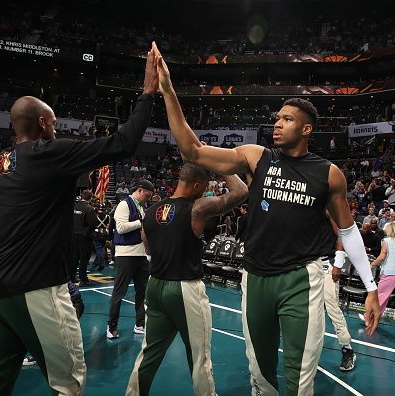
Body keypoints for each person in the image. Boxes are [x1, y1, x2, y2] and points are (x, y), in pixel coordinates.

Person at [153, 44, 380, 396]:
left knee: (300, 374)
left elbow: (349, 232)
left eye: (287, 119)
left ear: (306, 129)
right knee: (259, 371)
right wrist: (168, 91)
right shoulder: (257, 157)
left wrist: (371, 289)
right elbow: (192, 151)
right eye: (276, 118)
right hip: (254, 276)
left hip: (301, 279)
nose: (277, 123)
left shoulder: (329, 173)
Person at [0, 43, 158, 395]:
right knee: (69, 384)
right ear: (42, 124)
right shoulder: (48, 153)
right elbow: (124, 142)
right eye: (54, 124)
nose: (56, 130)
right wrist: (148, 93)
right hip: (36, 289)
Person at [126, 164, 248, 396]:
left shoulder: (150, 211)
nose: (204, 192)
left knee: (149, 353)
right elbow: (241, 192)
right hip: (184, 288)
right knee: (200, 356)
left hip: (156, 285)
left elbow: (148, 245)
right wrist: (220, 164)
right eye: (203, 187)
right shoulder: (197, 208)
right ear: (195, 185)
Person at [107, 180, 155, 339]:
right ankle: (111, 326)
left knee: (142, 292)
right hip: (125, 255)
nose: (148, 199)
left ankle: (140, 324)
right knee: (119, 292)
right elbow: (120, 228)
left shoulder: (141, 207)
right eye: (147, 195)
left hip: (141, 256)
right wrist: (141, 222)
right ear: (140, 190)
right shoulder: (123, 205)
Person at [321, 217, 356, 372]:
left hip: (327, 265)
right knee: (310, 311)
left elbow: (342, 234)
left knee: (333, 310)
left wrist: (338, 263)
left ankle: (347, 349)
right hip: (308, 265)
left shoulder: (329, 210)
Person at [72, 189, 99, 286]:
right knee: (84, 258)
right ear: (90, 198)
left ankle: (72, 278)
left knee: (74, 257)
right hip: (84, 237)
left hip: (74, 235)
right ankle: (84, 279)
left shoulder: (75, 206)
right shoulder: (89, 208)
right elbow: (94, 223)